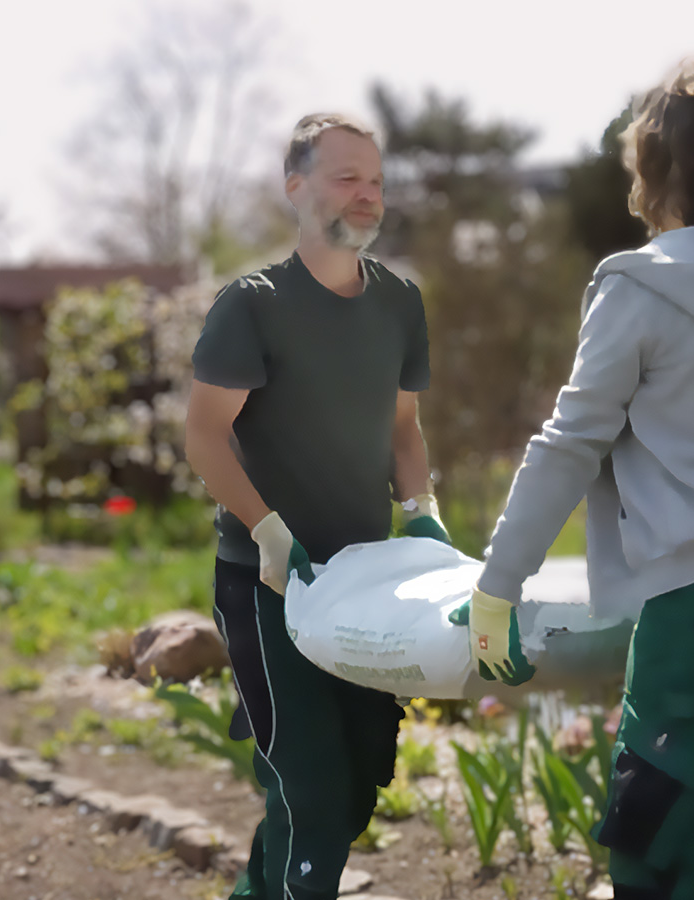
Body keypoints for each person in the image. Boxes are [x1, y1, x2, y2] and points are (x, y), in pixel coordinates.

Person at [468, 61, 694, 899]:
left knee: (661, 854)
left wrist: (497, 588)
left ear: (655, 169)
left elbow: (570, 443)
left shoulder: (637, 286)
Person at [184, 112, 449, 900]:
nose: (367, 197)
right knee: (312, 794)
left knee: (362, 779)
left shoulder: (400, 303)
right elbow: (204, 437)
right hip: (269, 585)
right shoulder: (254, 306)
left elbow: (404, 426)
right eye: (346, 179)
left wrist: (422, 509)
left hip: (368, 584)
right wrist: (266, 531)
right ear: (295, 188)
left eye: (374, 182)